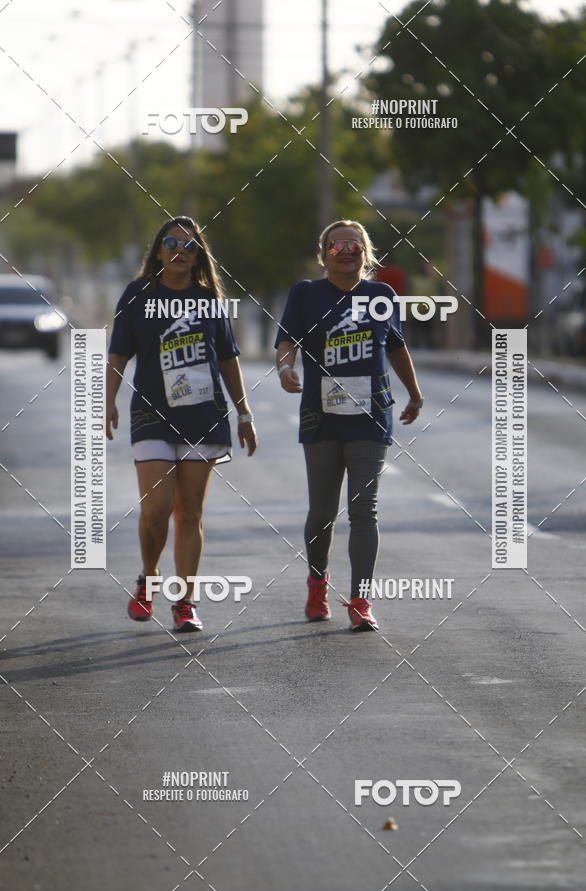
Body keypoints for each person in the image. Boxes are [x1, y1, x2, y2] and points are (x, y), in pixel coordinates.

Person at [106, 216, 256, 632]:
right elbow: (119, 354)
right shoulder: (137, 294)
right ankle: (148, 577)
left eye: (189, 247)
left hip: (203, 415)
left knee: (189, 512)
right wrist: (108, 402)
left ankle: (185, 602)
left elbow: (227, 358)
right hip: (151, 414)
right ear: (158, 251)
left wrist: (244, 413)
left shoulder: (209, 300)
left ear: (197, 257)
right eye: (171, 243)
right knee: (156, 509)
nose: (179, 251)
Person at [275, 220, 422, 631]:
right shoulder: (306, 294)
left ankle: (360, 600)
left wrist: (414, 391)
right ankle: (318, 584)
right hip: (319, 415)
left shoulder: (381, 295)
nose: (346, 249)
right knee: (322, 512)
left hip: (371, 414)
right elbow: (286, 341)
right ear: (324, 254)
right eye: (336, 244)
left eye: (354, 243)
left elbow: (395, 346)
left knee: (364, 510)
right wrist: (285, 367)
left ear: (365, 251)